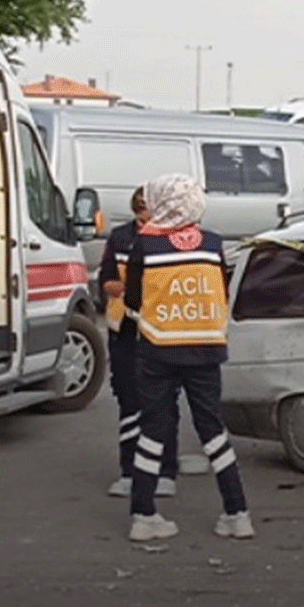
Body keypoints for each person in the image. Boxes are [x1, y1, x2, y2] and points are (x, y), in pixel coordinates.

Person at [123, 174, 252, 542]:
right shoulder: (213, 243)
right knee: (213, 432)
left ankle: (144, 516)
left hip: (157, 348)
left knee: (153, 432)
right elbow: (221, 290)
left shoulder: (143, 245)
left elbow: (132, 301)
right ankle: (237, 513)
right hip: (206, 348)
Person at [98, 187, 177, 498]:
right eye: (141, 218)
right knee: (129, 400)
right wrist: (133, 286)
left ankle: (166, 469)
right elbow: (106, 283)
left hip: (163, 330)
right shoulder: (118, 238)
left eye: (152, 217)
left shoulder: (172, 239)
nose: (146, 226)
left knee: (164, 401)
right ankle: (129, 471)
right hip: (126, 330)